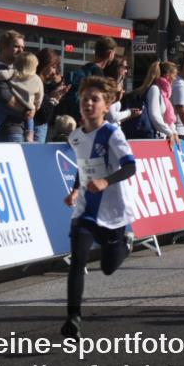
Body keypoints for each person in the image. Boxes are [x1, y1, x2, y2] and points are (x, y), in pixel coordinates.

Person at [61, 76, 138, 338]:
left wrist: (106, 180)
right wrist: (74, 190)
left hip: (112, 211)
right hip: (85, 208)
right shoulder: (75, 136)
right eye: (85, 99)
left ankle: (126, 244)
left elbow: (131, 166)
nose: (89, 103)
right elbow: (83, 167)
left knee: (107, 267)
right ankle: (73, 318)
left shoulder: (112, 134)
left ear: (106, 106)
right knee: (77, 260)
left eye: (95, 99)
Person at [0, 52, 43, 143]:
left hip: (7, 106)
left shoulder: (13, 73)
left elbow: (2, 75)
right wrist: (36, 106)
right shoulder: (37, 79)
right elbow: (40, 95)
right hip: (27, 110)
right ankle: (29, 137)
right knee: (30, 120)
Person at [57, 36, 117, 121]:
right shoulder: (98, 75)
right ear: (110, 54)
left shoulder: (84, 69)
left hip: (70, 118)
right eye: (114, 53)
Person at [0, 30, 27, 143]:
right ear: (4, 46)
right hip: (7, 130)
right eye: (16, 46)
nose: (21, 51)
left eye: (23, 48)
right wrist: (27, 109)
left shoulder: (15, 70)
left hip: (16, 129)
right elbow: (5, 97)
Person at [136, 61, 179, 146]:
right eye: (174, 75)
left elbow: (167, 120)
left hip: (160, 137)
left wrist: (174, 133)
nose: (175, 78)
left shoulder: (164, 94)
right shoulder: (155, 89)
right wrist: (170, 133)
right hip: (153, 139)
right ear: (167, 75)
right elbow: (155, 116)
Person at [33, 48, 70, 143]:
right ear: (45, 65)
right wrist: (54, 99)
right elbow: (44, 116)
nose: (54, 72)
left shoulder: (41, 84)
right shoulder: (37, 83)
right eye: (53, 66)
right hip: (35, 132)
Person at [103, 58, 142, 127]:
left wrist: (130, 115)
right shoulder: (109, 87)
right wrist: (128, 113)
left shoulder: (115, 86)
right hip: (108, 132)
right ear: (117, 68)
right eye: (125, 67)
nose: (126, 71)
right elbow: (111, 117)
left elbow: (115, 119)